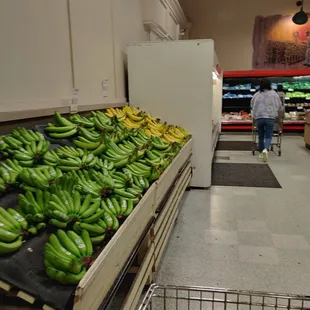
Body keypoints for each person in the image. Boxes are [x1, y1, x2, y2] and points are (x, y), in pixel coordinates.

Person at [251, 79, 282, 162]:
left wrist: (254, 118)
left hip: (259, 117)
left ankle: (261, 152)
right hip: (270, 118)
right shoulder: (274, 94)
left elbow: (252, 105)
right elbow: (279, 105)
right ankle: (265, 150)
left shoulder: (257, 94)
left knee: (261, 135)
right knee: (268, 135)